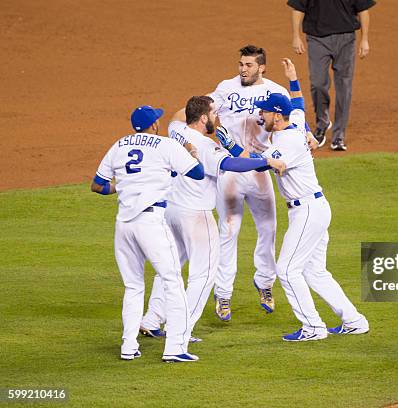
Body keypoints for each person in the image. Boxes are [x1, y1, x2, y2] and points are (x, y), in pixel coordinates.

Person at [216, 93, 369, 341]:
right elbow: (297, 107)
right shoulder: (293, 127)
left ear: (277, 115)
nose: (259, 115)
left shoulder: (288, 141)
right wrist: (294, 81)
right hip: (313, 208)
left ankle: (313, 328)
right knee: (315, 272)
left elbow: (261, 163)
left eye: (264, 111)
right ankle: (354, 320)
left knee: (287, 270)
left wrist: (231, 147)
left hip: (308, 210)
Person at [139, 96, 286, 340]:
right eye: (214, 113)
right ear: (204, 118)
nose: (217, 118)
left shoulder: (176, 131)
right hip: (195, 216)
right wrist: (266, 161)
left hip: (171, 211)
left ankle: (152, 319)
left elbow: (176, 118)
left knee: (171, 268)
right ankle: (181, 332)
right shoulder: (206, 147)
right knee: (203, 275)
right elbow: (235, 165)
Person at [91, 105, 203, 362]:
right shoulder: (165, 145)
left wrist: (123, 186)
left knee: (133, 286)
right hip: (151, 223)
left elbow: (97, 185)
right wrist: (191, 153)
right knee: (172, 281)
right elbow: (197, 173)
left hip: (124, 225)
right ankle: (175, 348)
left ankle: (128, 347)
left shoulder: (119, 145)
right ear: (154, 125)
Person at [209, 45, 291, 321]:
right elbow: (203, 113)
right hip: (231, 169)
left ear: (262, 67)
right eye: (241, 64)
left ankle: (265, 284)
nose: (243, 69)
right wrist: (214, 134)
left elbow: (289, 125)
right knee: (229, 231)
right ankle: (222, 294)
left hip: (259, 168)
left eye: (248, 65)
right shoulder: (224, 87)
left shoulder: (276, 91)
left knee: (268, 228)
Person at [288, 0, 376, 151]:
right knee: (317, 83)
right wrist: (296, 36)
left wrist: (365, 39)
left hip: (346, 39)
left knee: (344, 87)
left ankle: (339, 134)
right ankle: (322, 123)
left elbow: (363, 10)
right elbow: (298, 8)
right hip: (317, 39)